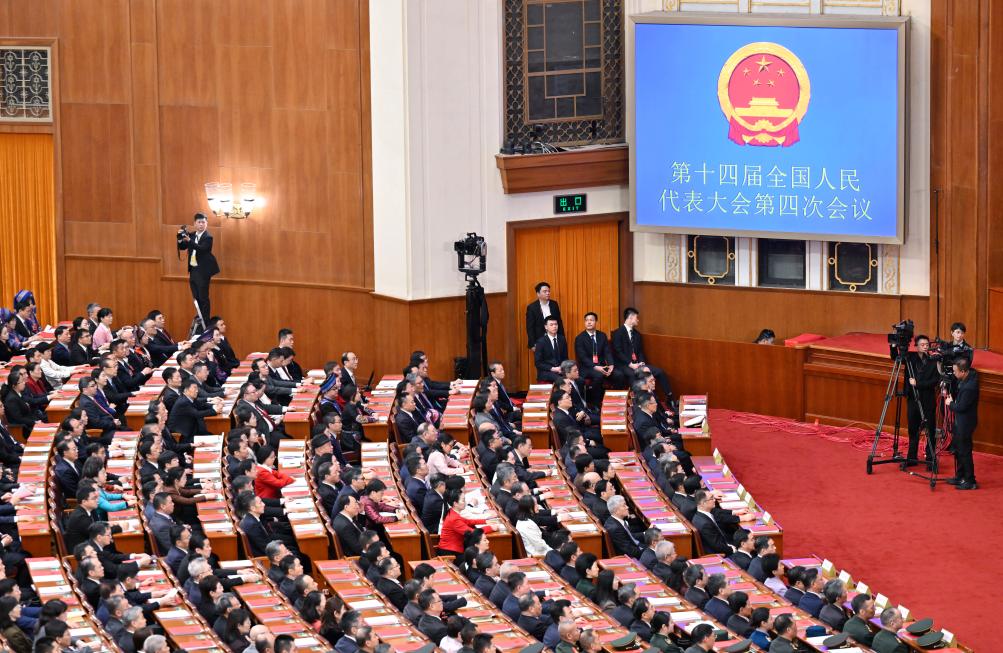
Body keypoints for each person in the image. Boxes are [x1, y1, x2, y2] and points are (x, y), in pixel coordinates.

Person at [611, 308, 673, 406]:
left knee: (660, 372)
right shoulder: (617, 333)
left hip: (638, 364)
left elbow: (640, 352)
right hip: (624, 365)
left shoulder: (637, 334)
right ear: (630, 318)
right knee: (633, 374)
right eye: (637, 318)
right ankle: (638, 403)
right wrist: (631, 364)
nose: (638, 320)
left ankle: (670, 398)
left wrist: (642, 363)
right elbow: (618, 352)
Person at [177, 212, 220, 323]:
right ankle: (200, 315)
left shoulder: (208, 237)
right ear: (194, 224)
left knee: (203, 296)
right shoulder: (191, 235)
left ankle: (205, 320)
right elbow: (183, 247)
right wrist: (180, 239)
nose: (201, 224)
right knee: (196, 296)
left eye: (203, 222)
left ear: (206, 224)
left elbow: (202, 249)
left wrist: (189, 241)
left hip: (204, 271)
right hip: (193, 270)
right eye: (199, 222)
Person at [904, 334, 939, 467]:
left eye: (927, 345)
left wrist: (918, 384)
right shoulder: (910, 358)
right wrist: (894, 345)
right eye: (922, 345)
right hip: (913, 400)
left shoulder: (933, 361)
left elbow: (934, 381)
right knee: (913, 430)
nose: (925, 347)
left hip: (928, 401)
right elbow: (895, 357)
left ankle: (930, 459)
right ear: (916, 346)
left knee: (930, 430)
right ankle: (911, 458)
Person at [946, 358, 979, 489]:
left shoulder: (970, 387)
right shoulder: (965, 380)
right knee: (958, 450)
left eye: (955, 371)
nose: (953, 373)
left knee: (964, 451)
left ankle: (970, 481)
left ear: (963, 371)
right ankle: (960, 476)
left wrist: (950, 404)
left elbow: (961, 407)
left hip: (965, 423)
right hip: (961, 422)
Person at [574, 312, 625, 396]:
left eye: (591, 320)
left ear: (596, 322)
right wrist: (596, 367)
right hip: (587, 367)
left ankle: (614, 399)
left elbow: (607, 352)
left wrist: (611, 365)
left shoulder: (602, 335)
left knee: (619, 374)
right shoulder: (579, 338)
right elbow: (582, 357)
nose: (589, 322)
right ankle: (596, 401)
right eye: (586, 320)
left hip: (602, 366)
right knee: (599, 375)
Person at [525, 282, 563, 352]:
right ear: (538, 294)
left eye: (548, 291)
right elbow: (530, 327)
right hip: (539, 340)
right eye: (545, 291)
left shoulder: (554, 304)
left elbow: (559, 322)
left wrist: (562, 338)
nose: (548, 293)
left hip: (554, 339)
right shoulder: (532, 307)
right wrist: (533, 344)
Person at [533, 317, 568, 383]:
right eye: (551, 325)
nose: (554, 326)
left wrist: (562, 367)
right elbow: (538, 363)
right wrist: (553, 369)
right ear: (546, 327)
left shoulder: (562, 339)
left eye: (556, 324)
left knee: (577, 379)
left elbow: (565, 358)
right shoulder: (541, 342)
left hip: (560, 370)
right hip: (547, 371)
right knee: (562, 380)